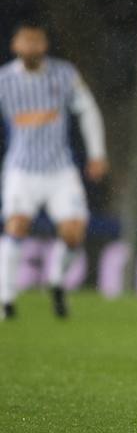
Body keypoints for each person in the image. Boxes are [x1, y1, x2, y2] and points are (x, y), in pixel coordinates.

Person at [0, 21, 108, 320]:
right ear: (15, 46)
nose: (31, 47)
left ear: (44, 45)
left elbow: (88, 110)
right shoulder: (5, 81)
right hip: (21, 170)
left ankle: (57, 283)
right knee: (16, 225)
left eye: (37, 41)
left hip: (60, 170)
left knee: (73, 233)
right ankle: (6, 300)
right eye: (26, 41)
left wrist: (97, 154)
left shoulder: (65, 75)